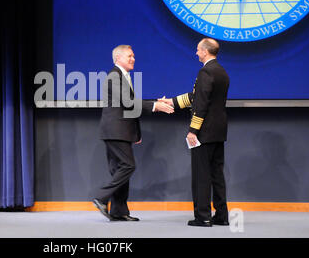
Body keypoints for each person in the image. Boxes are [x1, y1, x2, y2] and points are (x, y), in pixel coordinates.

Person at [93, 44, 173, 221]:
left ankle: (119, 212)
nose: (133, 59)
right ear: (118, 58)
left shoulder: (123, 76)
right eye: (129, 56)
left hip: (120, 131)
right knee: (128, 166)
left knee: (119, 170)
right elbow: (129, 102)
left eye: (133, 56)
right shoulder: (115, 76)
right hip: (115, 130)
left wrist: (135, 132)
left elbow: (127, 106)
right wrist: (155, 106)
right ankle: (101, 197)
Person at [160, 38, 230, 227]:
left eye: (198, 50)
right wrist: (172, 102)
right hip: (218, 131)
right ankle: (222, 215)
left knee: (201, 175)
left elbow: (201, 104)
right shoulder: (221, 71)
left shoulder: (206, 71)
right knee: (217, 174)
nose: (196, 53)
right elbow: (196, 96)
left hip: (204, 132)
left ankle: (203, 216)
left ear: (205, 51)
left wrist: (193, 130)